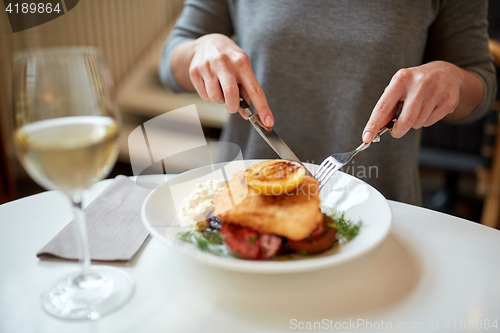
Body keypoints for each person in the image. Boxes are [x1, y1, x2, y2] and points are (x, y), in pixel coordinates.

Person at [159, 1, 497, 205]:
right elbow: (171, 63)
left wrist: (452, 79)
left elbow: (482, 85)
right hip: (244, 199)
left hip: (380, 200)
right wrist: (200, 49)